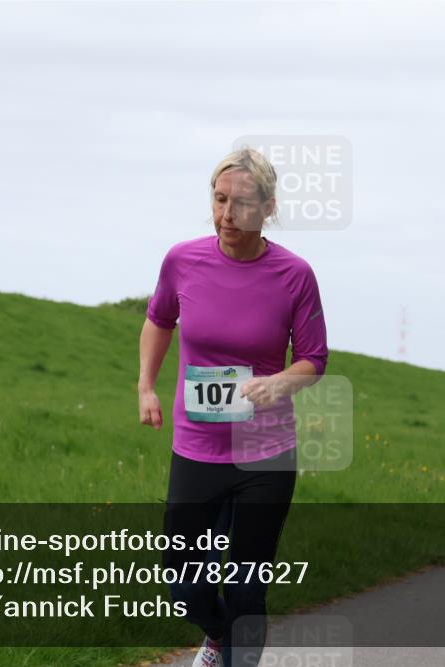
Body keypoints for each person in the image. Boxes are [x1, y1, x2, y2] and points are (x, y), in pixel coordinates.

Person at [138, 147, 328, 667]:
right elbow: (159, 320)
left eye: (241, 204)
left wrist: (280, 384)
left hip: (264, 451)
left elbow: (314, 358)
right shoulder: (183, 260)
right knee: (182, 579)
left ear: (267, 207)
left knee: (246, 585)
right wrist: (145, 386)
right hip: (196, 447)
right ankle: (217, 636)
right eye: (219, 200)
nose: (226, 215)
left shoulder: (294, 275)